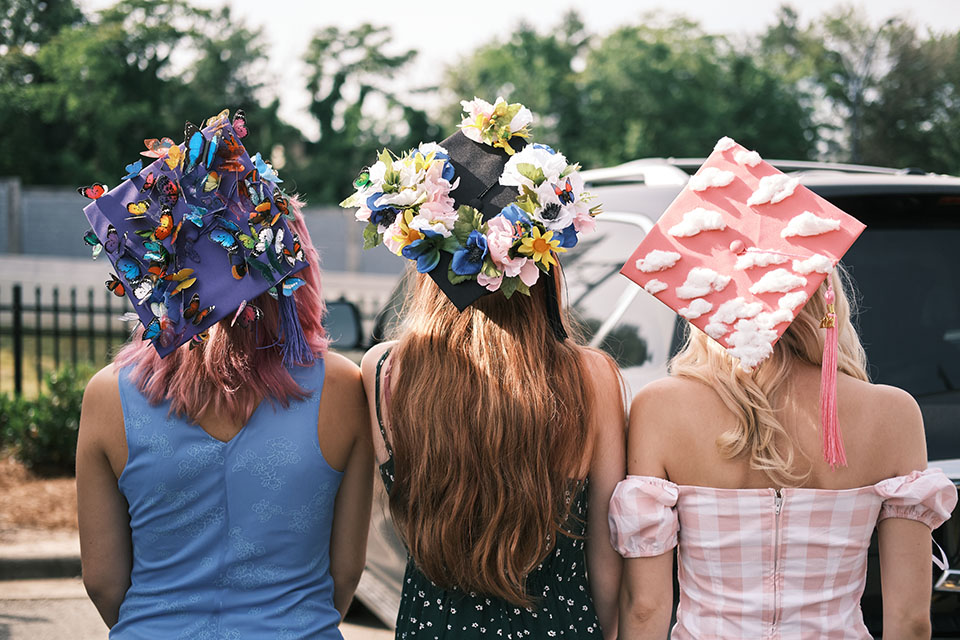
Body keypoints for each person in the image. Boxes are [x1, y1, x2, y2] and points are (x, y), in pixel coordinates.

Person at [612, 137, 958, 639]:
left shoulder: (661, 409)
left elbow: (645, 609)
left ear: (709, 297)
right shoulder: (893, 413)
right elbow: (909, 619)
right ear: (826, 298)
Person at [75, 110, 372, 638]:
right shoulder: (344, 388)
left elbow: (101, 581)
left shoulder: (108, 395)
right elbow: (346, 573)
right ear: (291, 261)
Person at [341, 97, 626, 639]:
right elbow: (607, 552)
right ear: (541, 260)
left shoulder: (384, 371)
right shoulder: (592, 377)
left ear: (425, 260)